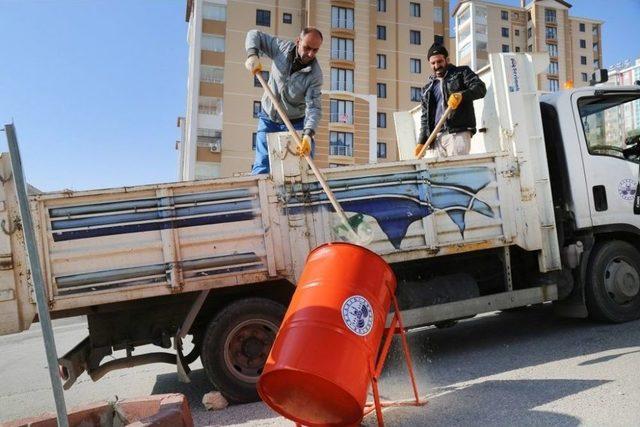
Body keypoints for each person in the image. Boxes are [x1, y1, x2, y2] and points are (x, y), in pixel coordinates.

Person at [245, 27, 324, 174]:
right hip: (268, 117)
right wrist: (252, 55)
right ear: (298, 41)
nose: (310, 54)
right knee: (262, 166)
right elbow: (253, 34)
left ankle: (304, 195)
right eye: (307, 48)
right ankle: (259, 196)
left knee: (303, 167)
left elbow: (314, 108)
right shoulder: (281, 49)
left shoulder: (315, 75)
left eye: (315, 50)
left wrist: (308, 134)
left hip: (295, 122)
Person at [415, 43, 487, 158]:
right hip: (435, 138)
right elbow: (425, 118)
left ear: (447, 60)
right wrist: (421, 141)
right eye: (433, 63)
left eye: (439, 61)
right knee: (435, 174)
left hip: (457, 132)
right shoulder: (427, 89)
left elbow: (480, 88)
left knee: (456, 171)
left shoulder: (462, 73)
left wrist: (461, 95)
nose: (436, 65)